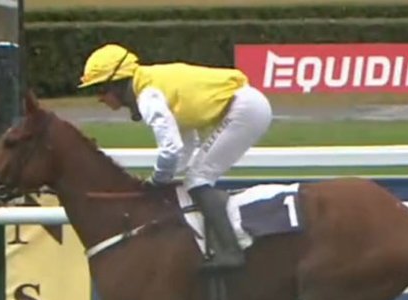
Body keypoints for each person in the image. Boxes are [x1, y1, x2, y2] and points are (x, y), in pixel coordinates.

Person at [77, 43, 273, 271]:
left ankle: (231, 251)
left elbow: (170, 149)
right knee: (196, 177)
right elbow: (186, 145)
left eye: (100, 89)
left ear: (116, 84)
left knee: (198, 179)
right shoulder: (152, 84)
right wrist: (165, 177)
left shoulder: (148, 96)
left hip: (246, 109)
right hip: (248, 105)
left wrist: (156, 181)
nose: (99, 98)